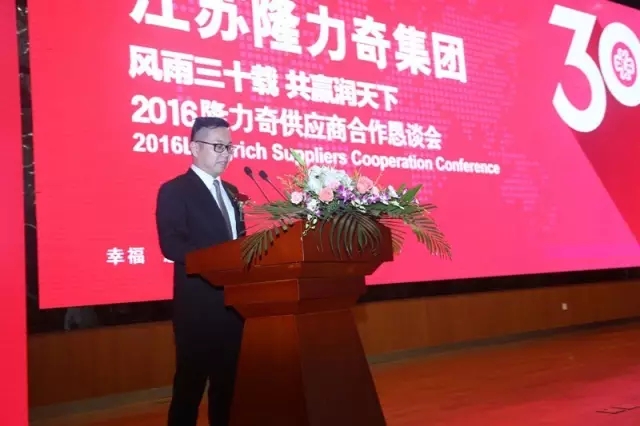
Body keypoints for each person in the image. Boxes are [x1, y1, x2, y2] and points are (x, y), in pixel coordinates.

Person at [155, 117, 245, 426]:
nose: (225, 154)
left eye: (229, 147)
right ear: (194, 148)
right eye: (218, 146)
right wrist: (218, 261)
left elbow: (240, 244)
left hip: (235, 307)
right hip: (198, 309)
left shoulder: (232, 192)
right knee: (189, 390)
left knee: (228, 391)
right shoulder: (175, 191)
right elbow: (171, 244)